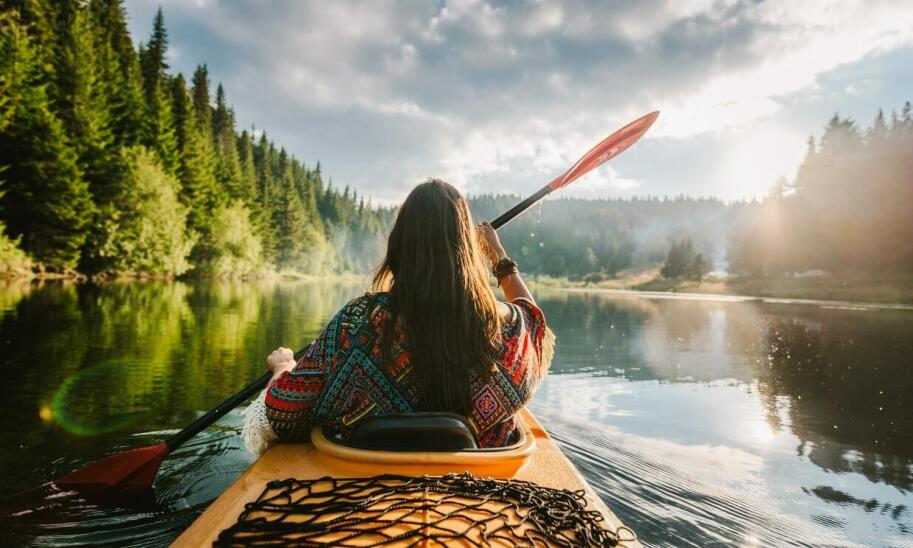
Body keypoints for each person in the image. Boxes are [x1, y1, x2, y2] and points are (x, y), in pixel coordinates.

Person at [242, 179, 554, 455]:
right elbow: (535, 325)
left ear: (399, 245)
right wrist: (499, 258)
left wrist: (283, 367)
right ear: (469, 250)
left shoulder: (355, 322)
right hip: (476, 482)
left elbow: (281, 413)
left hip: (364, 481)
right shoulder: (507, 329)